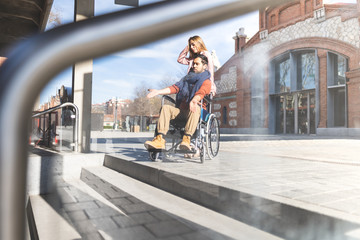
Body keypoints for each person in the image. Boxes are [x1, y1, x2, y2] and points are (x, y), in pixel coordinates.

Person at [144, 54, 211, 151]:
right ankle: (159, 140)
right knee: (166, 108)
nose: (194, 66)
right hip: (182, 111)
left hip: (195, 112)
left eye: (197, 64)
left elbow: (202, 92)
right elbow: (175, 88)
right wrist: (158, 91)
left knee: (195, 108)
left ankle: (186, 139)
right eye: (193, 64)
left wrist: (194, 100)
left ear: (204, 66)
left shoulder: (206, 81)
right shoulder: (186, 79)